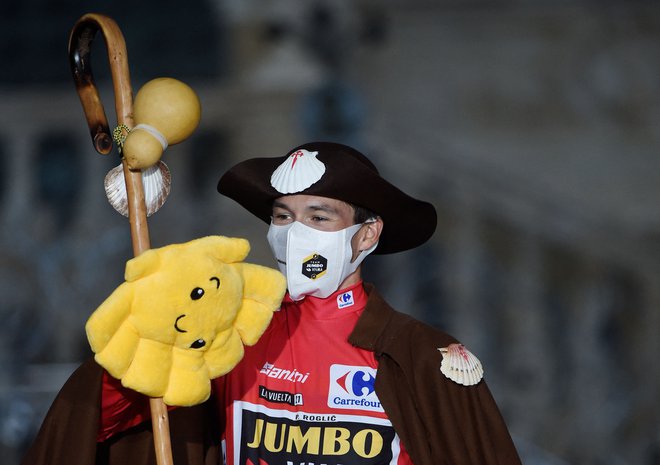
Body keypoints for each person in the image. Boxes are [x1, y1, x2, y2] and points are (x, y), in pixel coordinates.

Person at [21, 141, 521, 465]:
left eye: (319, 218)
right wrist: (149, 338)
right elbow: (93, 423)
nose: (294, 234)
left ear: (366, 235)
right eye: (283, 216)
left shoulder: (422, 356)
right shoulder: (230, 333)